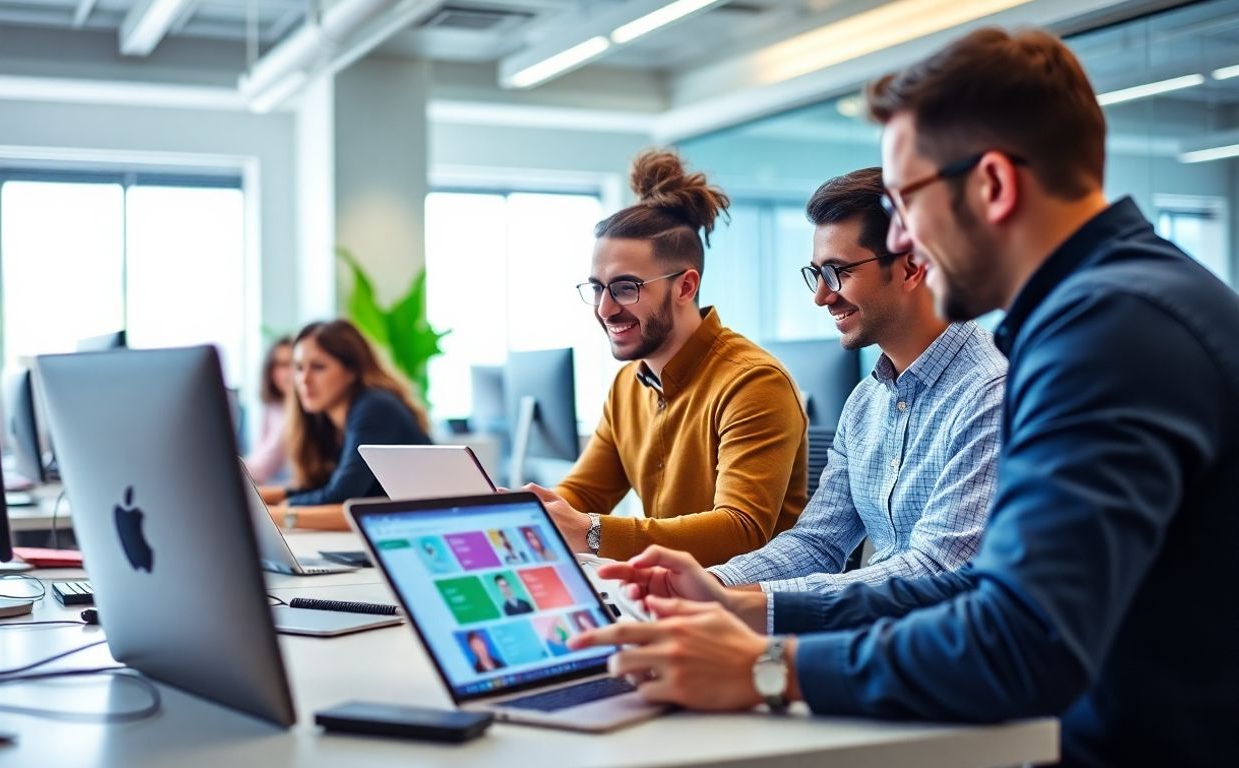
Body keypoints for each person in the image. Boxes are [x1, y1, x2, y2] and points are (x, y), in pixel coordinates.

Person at [570, 27, 1239, 766]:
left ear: (992, 185)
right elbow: (975, 592)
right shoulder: (1122, 304)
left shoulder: (1108, 334)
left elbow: (1018, 639)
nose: (905, 238)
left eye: (907, 201)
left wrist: (764, 667)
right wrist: (740, 602)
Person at [706, 167, 1005, 594]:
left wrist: (748, 601)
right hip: (876, 637)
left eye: (837, 272)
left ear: (912, 267)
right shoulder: (866, 400)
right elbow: (818, 542)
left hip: (949, 648)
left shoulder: (990, 392)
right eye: (817, 275)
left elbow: (936, 569)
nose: (821, 297)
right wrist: (709, 582)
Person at [528, 150, 809, 567]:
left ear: (685, 286)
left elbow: (741, 530)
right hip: (667, 598)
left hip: (742, 609)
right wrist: (526, 512)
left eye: (625, 287)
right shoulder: (629, 384)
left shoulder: (753, 383)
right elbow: (583, 495)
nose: (604, 309)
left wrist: (590, 530)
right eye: (597, 288)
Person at [259, 320, 432, 530]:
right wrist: (265, 496)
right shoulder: (326, 420)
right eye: (298, 368)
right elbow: (324, 485)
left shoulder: (374, 408)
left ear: (352, 371)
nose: (304, 379)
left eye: (318, 367)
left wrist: (280, 511)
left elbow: (342, 495)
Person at [243, 336, 293, 484]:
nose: (287, 372)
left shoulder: (300, 413)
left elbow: (264, 466)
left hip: (287, 492)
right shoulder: (273, 408)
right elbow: (259, 457)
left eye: (292, 364)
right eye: (279, 365)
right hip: (269, 486)